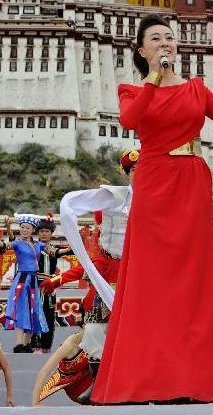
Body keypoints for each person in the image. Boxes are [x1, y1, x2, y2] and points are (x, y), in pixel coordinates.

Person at [91, 14, 213, 404]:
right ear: (142, 50)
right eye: (156, 39)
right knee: (152, 281)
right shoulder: (131, 89)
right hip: (154, 181)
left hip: (192, 182)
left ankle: (194, 380)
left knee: (192, 281)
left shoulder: (196, 88)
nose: (165, 44)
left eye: (169, 38)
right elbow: (131, 119)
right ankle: (146, 380)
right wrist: (155, 78)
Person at [40, 148, 136, 404]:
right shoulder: (113, 198)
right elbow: (90, 262)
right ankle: (99, 388)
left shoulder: (155, 198)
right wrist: (59, 279)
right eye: (133, 171)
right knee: (94, 330)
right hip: (108, 273)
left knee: (142, 331)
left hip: (138, 272)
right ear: (127, 173)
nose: (138, 175)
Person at [2, 214, 50, 352]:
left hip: (33, 280)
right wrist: (5, 237)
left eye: (27, 228)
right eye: (22, 227)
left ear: (32, 230)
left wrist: (71, 248)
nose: (24, 230)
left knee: (34, 310)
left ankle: (25, 344)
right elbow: (7, 244)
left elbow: (53, 251)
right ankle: (18, 345)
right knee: (21, 309)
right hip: (22, 280)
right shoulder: (17, 243)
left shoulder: (37, 244)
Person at [31, 215, 72, 353]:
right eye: (41, 231)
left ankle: (46, 347)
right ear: (38, 232)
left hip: (49, 285)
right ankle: (34, 345)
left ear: (51, 233)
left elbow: (63, 252)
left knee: (49, 315)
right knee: (34, 314)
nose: (44, 233)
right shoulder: (33, 247)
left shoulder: (55, 249)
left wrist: (75, 243)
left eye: (47, 231)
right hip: (35, 284)